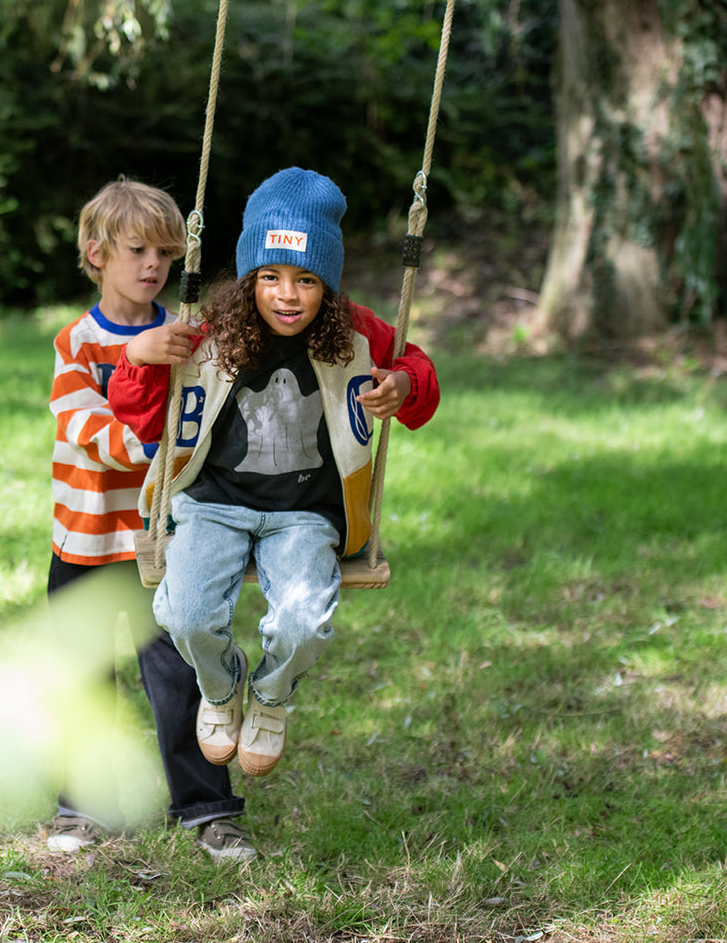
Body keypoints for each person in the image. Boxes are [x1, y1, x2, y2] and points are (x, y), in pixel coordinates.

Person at [108, 167, 440, 778]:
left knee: (303, 623)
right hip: (212, 501)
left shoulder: (360, 333)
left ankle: (271, 697)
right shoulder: (210, 333)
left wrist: (403, 385)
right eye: (270, 277)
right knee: (182, 613)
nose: (287, 295)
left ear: (329, 285)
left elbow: (415, 370)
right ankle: (222, 683)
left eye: (306, 280)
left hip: (306, 514)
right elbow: (142, 413)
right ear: (249, 278)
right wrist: (136, 357)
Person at [45, 178, 254, 862]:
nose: (152, 266)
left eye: (165, 254)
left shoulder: (185, 338)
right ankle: (80, 806)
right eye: (137, 249)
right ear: (95, 252)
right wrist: (143, 428)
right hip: (83, 539)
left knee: (176, 671)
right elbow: (84, 425)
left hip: (158, 542)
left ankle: (206, 808)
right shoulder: (74, 343)